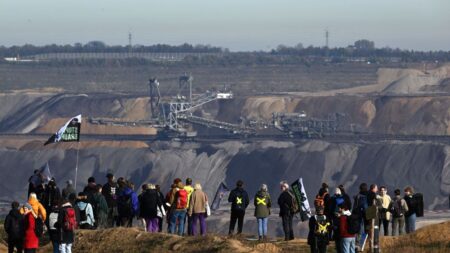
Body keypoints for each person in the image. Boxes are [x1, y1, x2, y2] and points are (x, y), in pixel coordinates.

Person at [329, 188, 345, 253]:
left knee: (335, 229)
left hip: (334, 215)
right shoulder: (341, 199)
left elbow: (330, 208)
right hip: (339, 215)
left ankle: (336, 241)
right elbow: (343, 206)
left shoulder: (332, 198)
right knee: (340, 229)